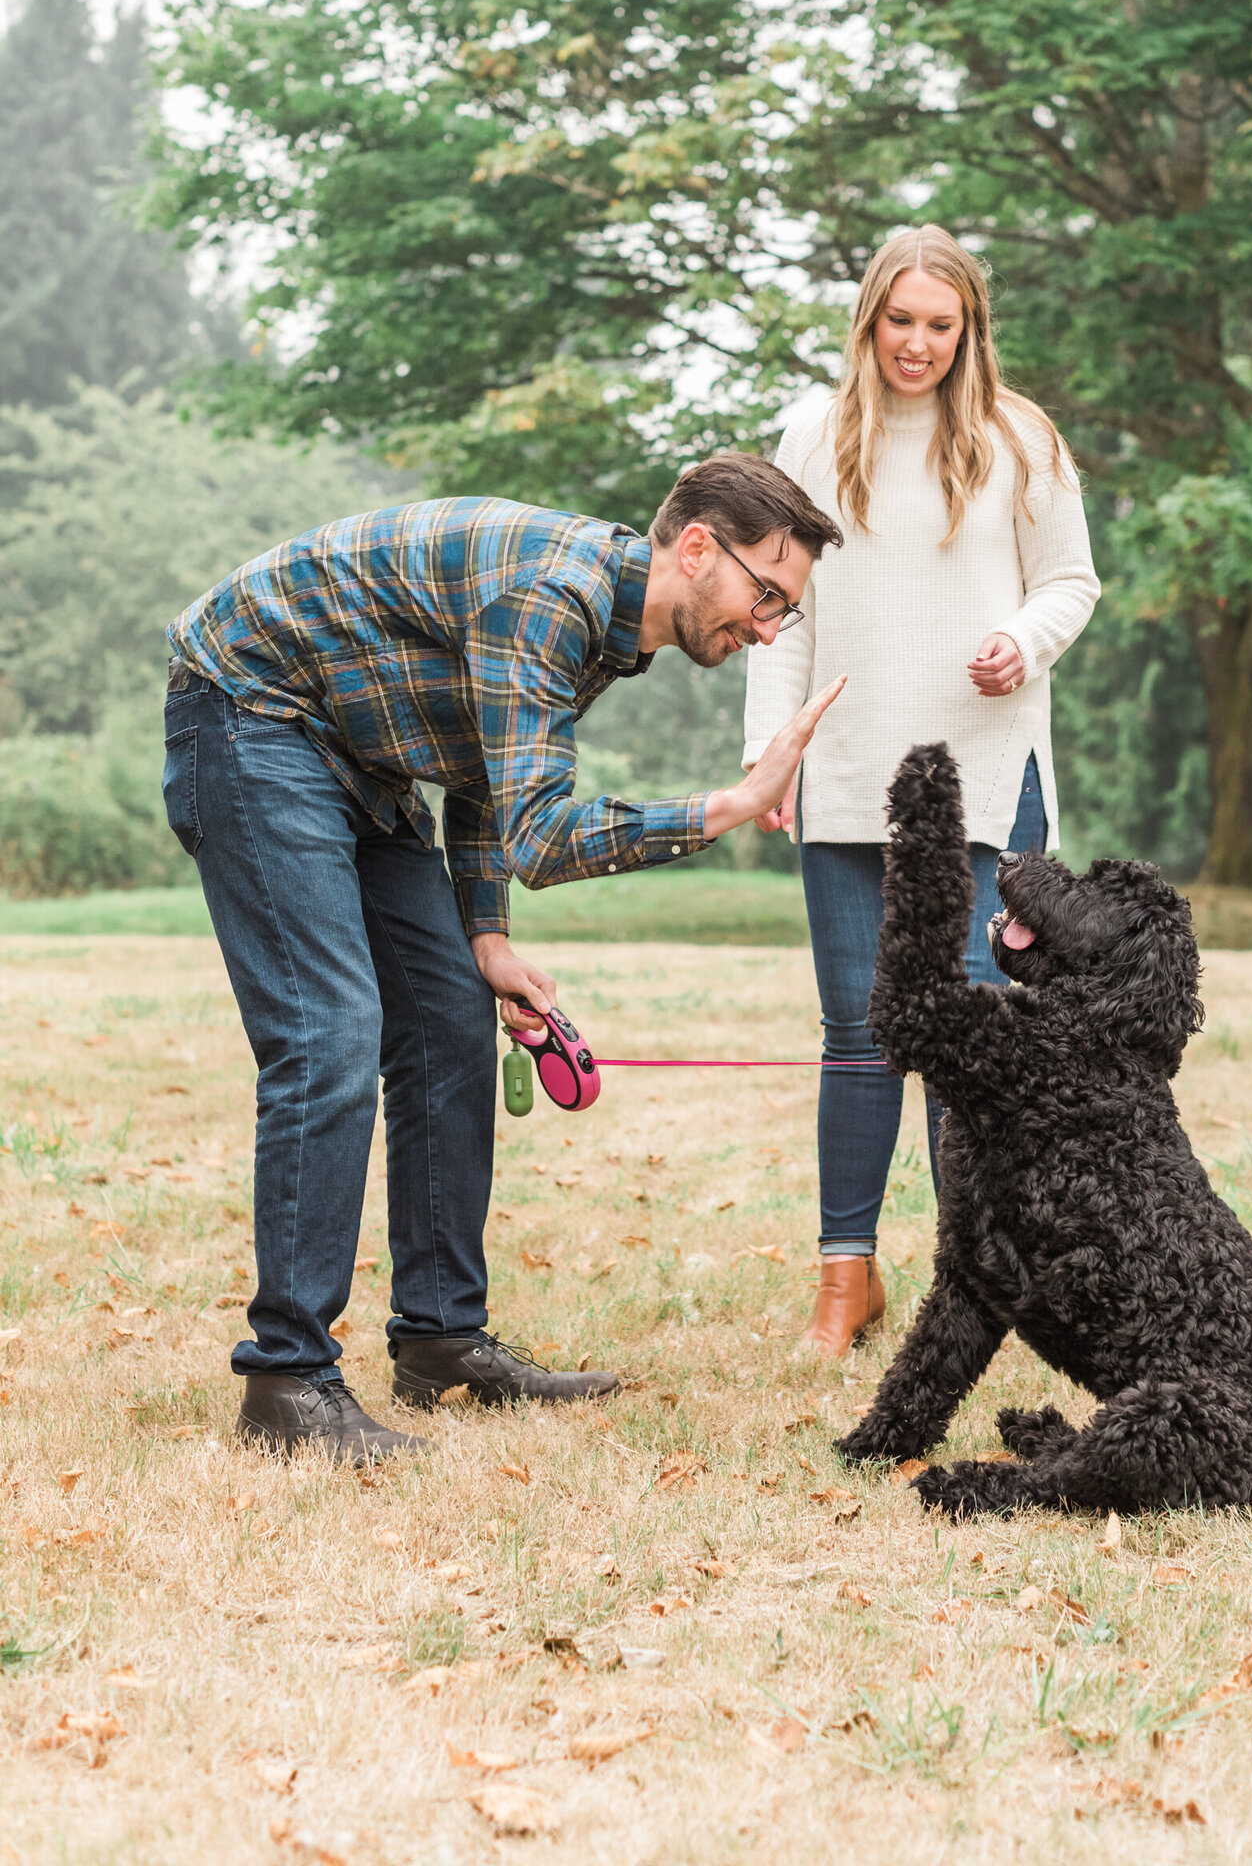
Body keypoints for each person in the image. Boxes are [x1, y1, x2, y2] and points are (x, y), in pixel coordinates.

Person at [164, 457, 844, 1460]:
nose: (770, 628)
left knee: (449, 1018)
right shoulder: (551, 595)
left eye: (785, 609)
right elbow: (545, 834)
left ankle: (439, 1340)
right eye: (768, 594)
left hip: (364, 760)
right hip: (253, 716)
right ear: (697, 548)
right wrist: (729, 807)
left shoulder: (608, 635)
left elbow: (488, 769)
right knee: (330, 1033)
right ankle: (286, 1381)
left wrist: (486, 938)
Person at [743, 227, 1100, 1357]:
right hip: (849, 768)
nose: (917, 344)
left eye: (939, 326)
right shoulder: (811, 432)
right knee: (856, 1028)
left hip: (984, 772)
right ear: (868, 321)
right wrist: (772, 755)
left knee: (971, 1032)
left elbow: (1070, 582)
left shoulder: (1019, 438)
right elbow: (771, 608)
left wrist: (1018, 639)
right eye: (899, 321)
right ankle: (844, 1280)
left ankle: (972, 1281)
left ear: (968, 330)